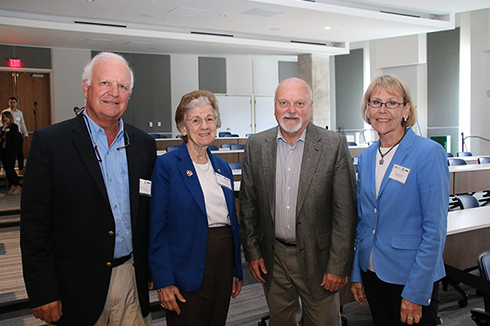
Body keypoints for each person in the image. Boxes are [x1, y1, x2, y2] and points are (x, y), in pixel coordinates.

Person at [21, 52, 156, 326]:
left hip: (131, 278)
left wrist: (151, 269)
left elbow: (147, 214)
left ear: (130, 93)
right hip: (76, 286)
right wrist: (43, 290)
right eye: (105, 83)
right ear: (86, 87)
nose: (113, 93)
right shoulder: (51, 143)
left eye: (122, 86)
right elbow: (34, 225)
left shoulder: (143, 144)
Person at [239, 77, 358, 326]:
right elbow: (249, 206)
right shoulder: (256, 146)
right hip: (274, 257)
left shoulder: (332, 145)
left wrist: (338, 265)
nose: (291, 110)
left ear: (310, 107)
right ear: (274, 107)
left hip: (320, 258)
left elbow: (345, 213)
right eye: (284, 102)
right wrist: (252, 251)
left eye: (299, 103)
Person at [350, 74, 449, 326]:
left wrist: (416, 291)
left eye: (392, 103)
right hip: (372, 271)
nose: (383, 110)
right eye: (376, 102)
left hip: (410, 276)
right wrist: (356, 273)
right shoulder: (367, 156)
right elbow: (362, 221)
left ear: (406, 110)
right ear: (367, 109)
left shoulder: (428, 153)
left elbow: (434, 230)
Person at [149, 90, 243, 326]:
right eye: (196, 120)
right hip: (185, 267)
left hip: (222, 262)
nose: (204, 126)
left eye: (210, 119)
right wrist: (163, 280)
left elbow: (232, 221)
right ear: (183, 128)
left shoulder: (223, 167)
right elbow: (157, 228)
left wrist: (235, 269)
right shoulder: (167, 166)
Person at [2, 97, 29, 174]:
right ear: (8, 103)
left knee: (20, 152)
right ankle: (10, 169)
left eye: (14, 102)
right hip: (8, 134)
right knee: (10, 153)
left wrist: (25, 133)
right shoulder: (5, 112)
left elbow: (22, 123)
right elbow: (1, 122)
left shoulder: (19, 113)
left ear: (16, 103)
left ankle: (21, 168)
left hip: (17, 134)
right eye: (11, 102)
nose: (12, 104)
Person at [0, 111, 22, 194]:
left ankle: (17, 185)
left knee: (10, 168)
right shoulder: (2, 127)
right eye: (3, 117)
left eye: (6, 117)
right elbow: (0, 135)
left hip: (11, 151)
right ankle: (11, 185)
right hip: (3, 150)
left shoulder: (14, 127)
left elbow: (13, 137)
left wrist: (5, 136)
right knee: (6, 169)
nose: (5, 119)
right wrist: (3, 128)